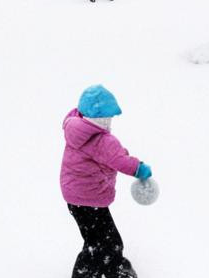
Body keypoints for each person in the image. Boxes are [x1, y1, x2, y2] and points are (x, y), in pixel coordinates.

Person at [60, 85, 152, 278]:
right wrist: (140, 169)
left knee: (94, 238)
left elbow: (111, 155)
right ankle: (113, 272)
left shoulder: (77, 131)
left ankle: (92, 271)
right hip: (89, 198)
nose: (110, 122)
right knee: (109, 242)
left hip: (75, 199)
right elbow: (119, 160)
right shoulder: (100, 140)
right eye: (108, 118)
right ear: (100, 119)